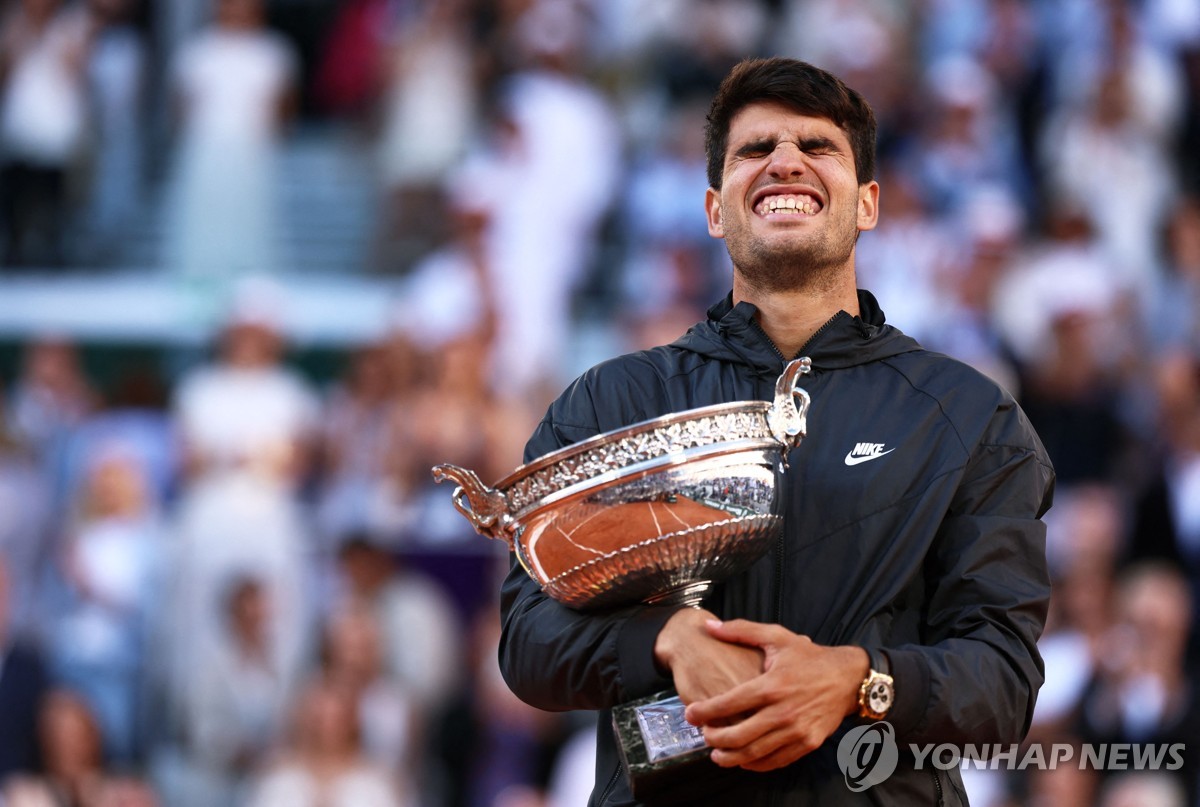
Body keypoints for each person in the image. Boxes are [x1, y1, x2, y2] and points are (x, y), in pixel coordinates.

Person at [497, 57, 1054, 806]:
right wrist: (665, 639)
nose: (785, 161)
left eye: (818, 146)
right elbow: (527, 638)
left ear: (868, 203)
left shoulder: (967, 413)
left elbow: (1005, 683)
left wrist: (859, 679)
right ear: (713, 210)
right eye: (755, 149)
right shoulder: (612, 400)